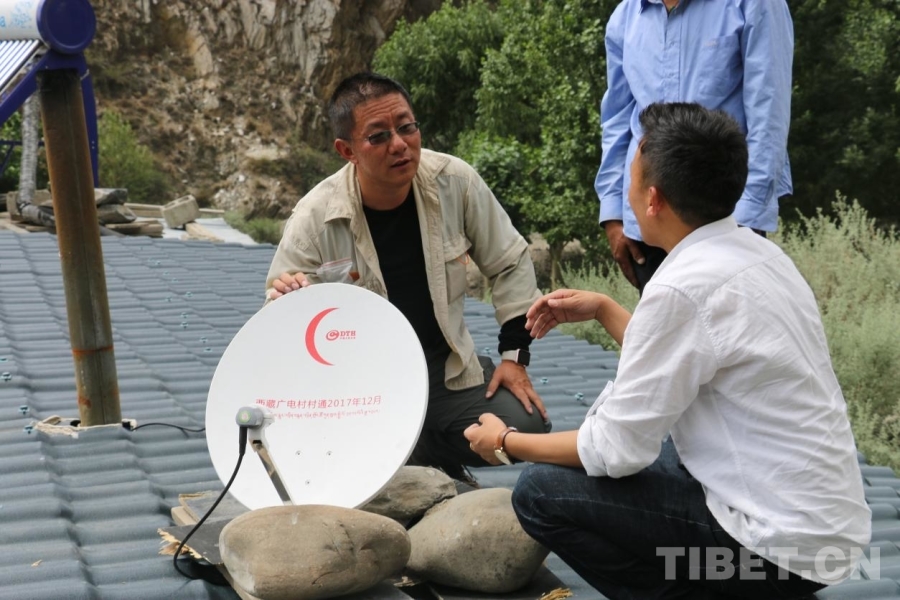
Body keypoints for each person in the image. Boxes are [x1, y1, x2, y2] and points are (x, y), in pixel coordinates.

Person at [465, 103, 871, 599]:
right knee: (665, 441)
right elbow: (682, 360)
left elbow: (614, 449)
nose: (627, 190)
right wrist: (605, 309)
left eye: (631, 176)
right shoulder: (761, 254)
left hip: (772, 557)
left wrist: (506, 441)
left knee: (539, 492)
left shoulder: (682, 286)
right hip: (824, 539)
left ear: (653, 199)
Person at [264, 72, 550, 482]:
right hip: (361, 385)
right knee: (332, 468)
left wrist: (514, 357)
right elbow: (277, 317)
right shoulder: (314, 219)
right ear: (347, 150)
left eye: (407, 127)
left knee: (526, 427)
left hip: (443, 369)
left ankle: (425, 445)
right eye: (378, 136)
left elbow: (510, 262)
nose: (399, 144)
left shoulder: (455, 182)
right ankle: (407, 446)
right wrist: (288, 302)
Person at [597, 0, 794, 291]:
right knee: (660, 320)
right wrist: (613, 215)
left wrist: (745, 222)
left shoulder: (754, 4)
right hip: (648, 223)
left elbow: (768, 116)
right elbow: (616, 121)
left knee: (731, 319)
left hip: (723, 218)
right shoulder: (626, 16)